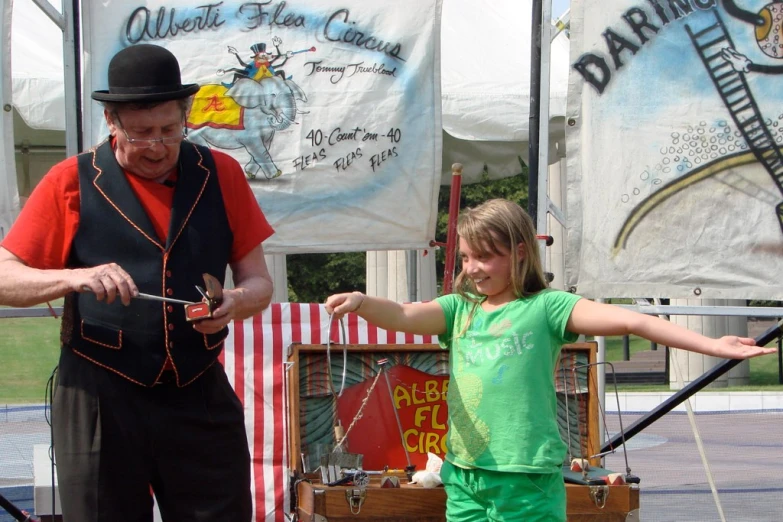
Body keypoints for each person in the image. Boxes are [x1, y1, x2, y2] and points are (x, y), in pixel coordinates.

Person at [325, 198, 776, 522]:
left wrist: (714, 346)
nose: (473, 268)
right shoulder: (458, 309)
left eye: (485, 257)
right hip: (464, 475)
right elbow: (403, 315)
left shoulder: (548, 307)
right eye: (466, 257)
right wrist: (362, 301)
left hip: (527, 477)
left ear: (520, 252)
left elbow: (630, 322)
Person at [0, 44, 274, 522]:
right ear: (111, 121)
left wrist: (234, 300)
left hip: (198, 391)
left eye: (170, 130)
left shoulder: (222, 174)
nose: (157, 146)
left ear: (187, 115)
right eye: (141, 132)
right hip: (100, 395)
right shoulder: (71, 180)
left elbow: (259, 284)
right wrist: (74, 277)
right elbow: (5, 277)